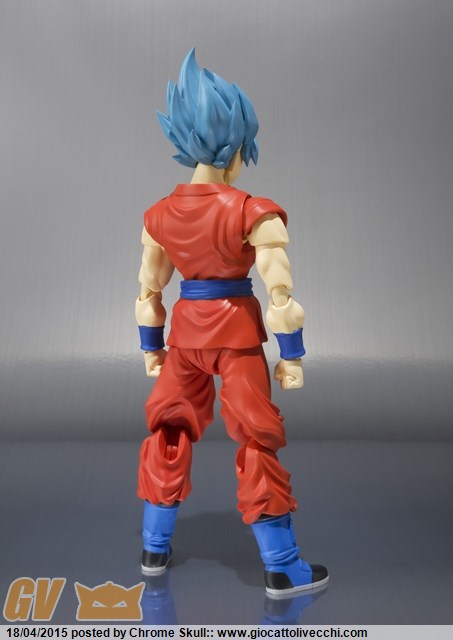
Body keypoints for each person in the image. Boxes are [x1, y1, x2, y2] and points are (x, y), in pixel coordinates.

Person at [135, 49, 328, 597]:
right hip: (237, 339)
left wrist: (151, 349)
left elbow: (149, 291)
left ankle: (153, 548)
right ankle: (281, 565)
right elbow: (280, 292)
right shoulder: (252, 210)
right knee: (256, 439)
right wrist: (292, 356)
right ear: (236, 146)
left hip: (184, 339)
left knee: (168, 429)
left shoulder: (159, 215)